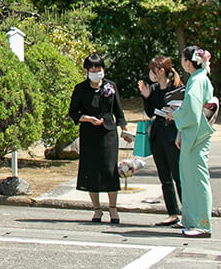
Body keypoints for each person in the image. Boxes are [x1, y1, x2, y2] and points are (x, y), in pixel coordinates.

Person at [67, 54, 133, 223]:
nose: (96, 71)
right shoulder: (80, 89)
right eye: (92, 68)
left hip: (108, 133)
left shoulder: (111, 86)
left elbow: (118, 111)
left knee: (110, 170)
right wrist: (88, 119)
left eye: (99, 68)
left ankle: (113, 208)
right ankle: (97, 209)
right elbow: (73, 113)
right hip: (89, 134)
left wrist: (125, 130)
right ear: (87, 70)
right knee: (91, 171)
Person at [168, 45, 216, 238]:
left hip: (196, 136)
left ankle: (202, 223)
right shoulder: (198, 79)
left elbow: (192, 111)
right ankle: (193, 220)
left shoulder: (197, 81)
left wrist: (175, 114)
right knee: (190, 179)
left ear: (188, 61)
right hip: (194, 134)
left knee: (196, 180)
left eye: (182, 59)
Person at [138, 56, 184, 226]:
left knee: (178, 175)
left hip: (172, 136)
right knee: (164, 176)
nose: (151, 73)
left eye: (153, 70)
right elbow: (151, 113)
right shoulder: (155, 89)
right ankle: (172, 212)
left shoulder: (177, 88)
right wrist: (146, 96)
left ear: (161, 71)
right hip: (157, 136)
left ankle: (187, 212)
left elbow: (181, 110)